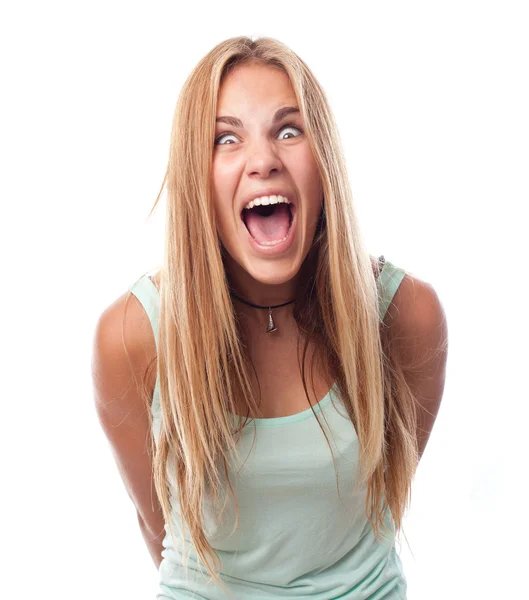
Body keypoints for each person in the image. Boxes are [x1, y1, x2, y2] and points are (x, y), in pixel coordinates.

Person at [92, 36, 448, 599]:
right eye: (225, 139)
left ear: (323, 160)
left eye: (289, 130)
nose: (264, 161)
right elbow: (157, 525)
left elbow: (379, 502)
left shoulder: (405, 315)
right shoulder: (133, 335)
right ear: (196, 177)